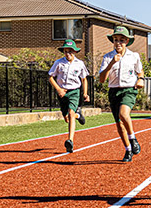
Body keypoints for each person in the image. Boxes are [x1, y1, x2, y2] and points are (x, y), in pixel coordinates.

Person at [99, 26, 145, 162]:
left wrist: (141, 79)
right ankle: (128, 150)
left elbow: (140, 71)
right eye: (116, 40)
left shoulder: (134, 56)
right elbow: (102, 79)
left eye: (122, 40)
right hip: (114, 91)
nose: (118, 43)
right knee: (119, 124)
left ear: (127, 42)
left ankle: (133, 139)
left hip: (129, 89)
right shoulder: (107, 57)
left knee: (123, 114)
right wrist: (112, 62)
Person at [48, 39, 90, 153]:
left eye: (70, 51)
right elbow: (51, 77)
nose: (68, 54)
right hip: (63, 93)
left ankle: (70, 141)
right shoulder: (58, 63)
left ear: (75, 52)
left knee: (71, 113)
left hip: (74, 91)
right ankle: (78, 115)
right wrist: (59, 89)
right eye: (66, 51)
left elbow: (84, 79)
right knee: (67, 118)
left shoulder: (79, 64)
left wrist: (85, 93)